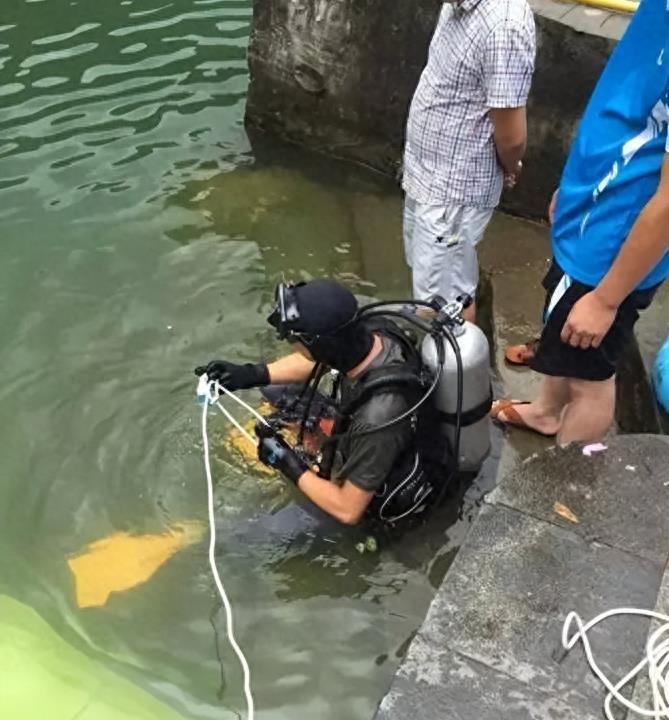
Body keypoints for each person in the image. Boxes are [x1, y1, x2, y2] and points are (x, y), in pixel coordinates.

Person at [492, 0, 669, 443]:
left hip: (612, 244)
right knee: (565, 337)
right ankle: (548, 413)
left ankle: (565, 491)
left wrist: (607, 300)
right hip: (594, 208)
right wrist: (576, 190)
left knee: (591, 378)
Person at [195, 279, 440, 526]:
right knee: (274, 389)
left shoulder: (379, 415)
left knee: (256, 525)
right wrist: (250, 374)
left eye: (298, 345)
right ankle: (320, 440)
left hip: (376, 488)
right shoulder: (371, 332)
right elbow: (318, 360)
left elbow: (348, 510)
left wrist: (286, 462)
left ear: (324, 347)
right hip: (373, 430)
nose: (296, 350)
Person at [402, 0, 536, 323]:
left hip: (454, 188)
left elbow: (512, 136)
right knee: (430, 283)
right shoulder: (458, 6)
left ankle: (454, 370)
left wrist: (510, 165)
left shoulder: (504, 25)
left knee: (445, 303)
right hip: (425, 175)